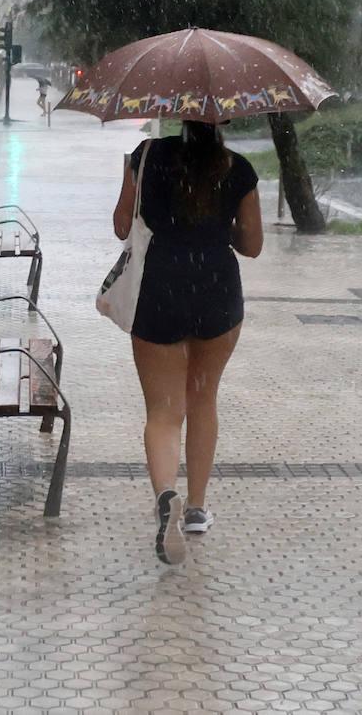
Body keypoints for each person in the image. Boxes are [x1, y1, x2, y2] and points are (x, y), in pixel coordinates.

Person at [112, 121, 263, 564]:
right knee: (203, 398)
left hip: (158, 289)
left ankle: (166, 496)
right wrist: (218, 229)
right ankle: (196, 508)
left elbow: (122, 226)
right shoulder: (238, 169)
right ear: (223, 120)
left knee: (163, 412)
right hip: (217, 291)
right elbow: (252, 244)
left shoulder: (145, 156)